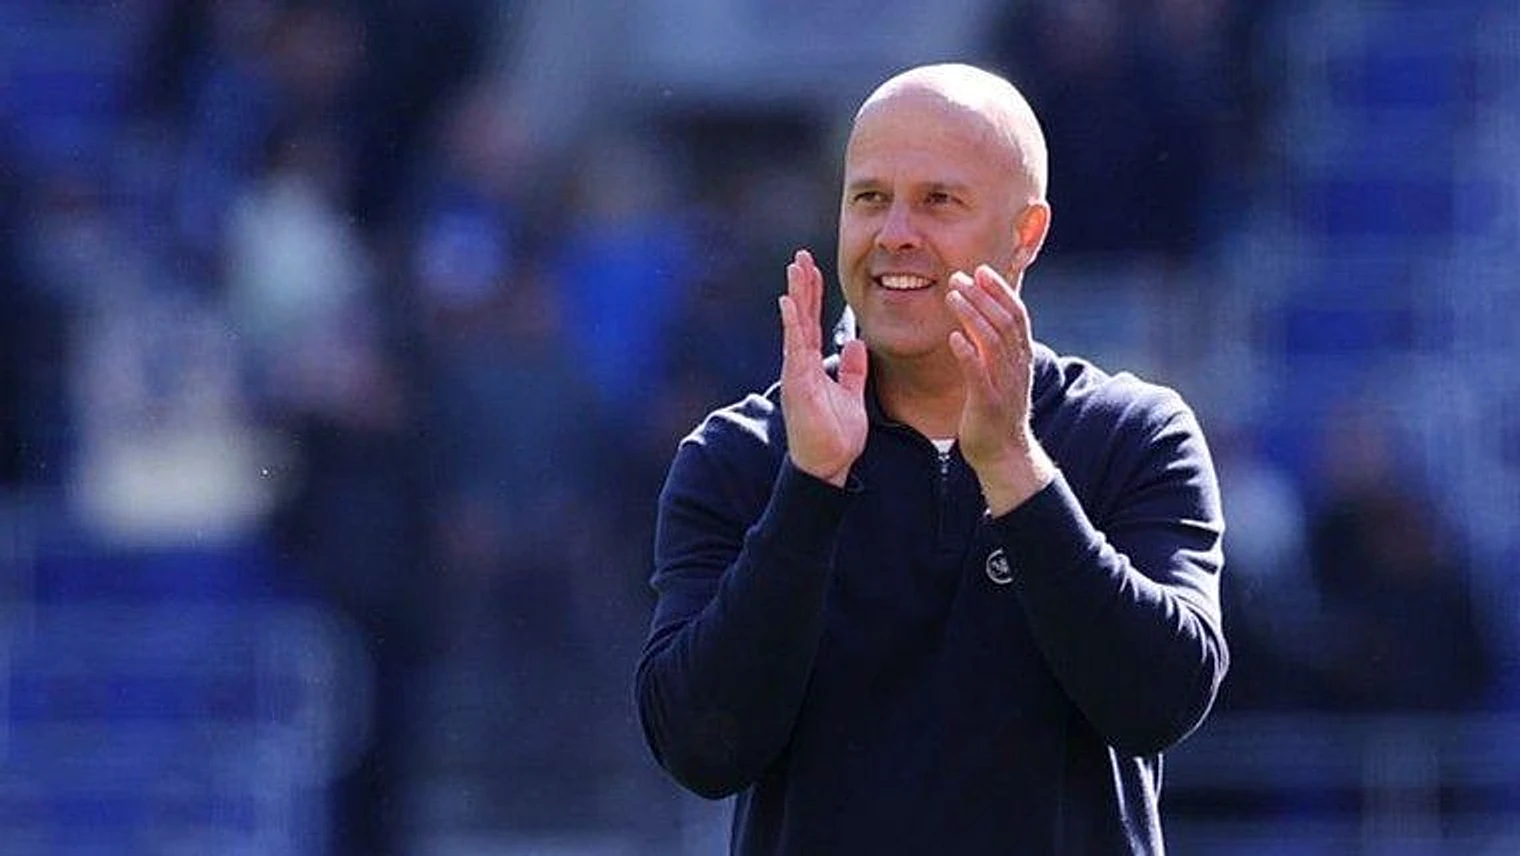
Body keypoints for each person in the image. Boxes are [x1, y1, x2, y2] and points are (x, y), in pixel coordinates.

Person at [634, 62, 1227, 854]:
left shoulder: (1131, 436)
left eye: (938, 200)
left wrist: (1013, 467)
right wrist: (811, 488)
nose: (894, 234)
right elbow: (700, 749)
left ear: (1026, 235)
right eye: (869, 198)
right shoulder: (741, 455)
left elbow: (1160, 704)